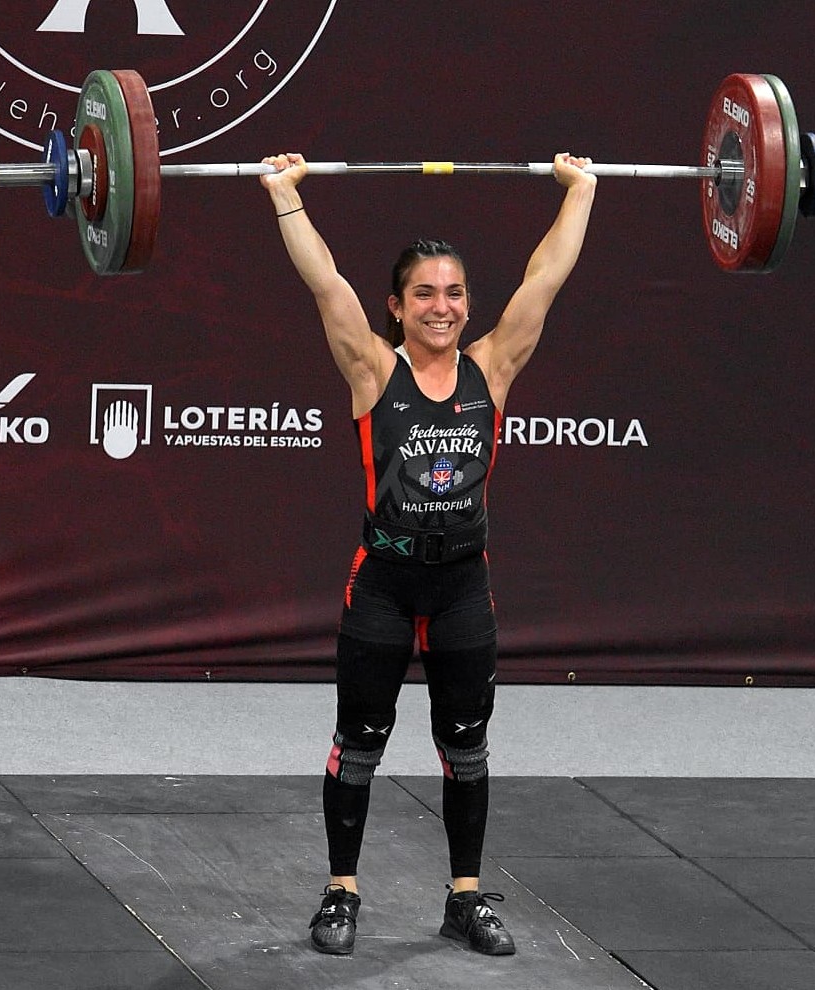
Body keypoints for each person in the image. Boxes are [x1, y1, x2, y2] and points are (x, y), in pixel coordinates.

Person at [260, 151, 596, 957]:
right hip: (382, 583)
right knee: (359, 742)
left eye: (453, 294)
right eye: (423, 294)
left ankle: (464, 898)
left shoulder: (492, 367)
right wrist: (283, 197)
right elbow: (325, 285)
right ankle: (341, 892)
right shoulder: (373, 369)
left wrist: (580, 190)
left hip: (461, 588)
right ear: (397, 305)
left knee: (466, 745)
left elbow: (545, 277)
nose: (441, 308)